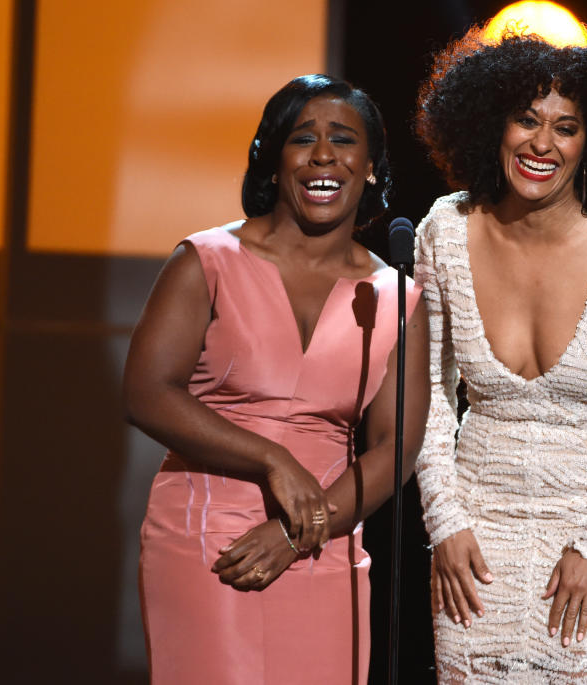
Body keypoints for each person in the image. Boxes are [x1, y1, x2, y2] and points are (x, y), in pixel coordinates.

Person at [123, 74, 429, 684]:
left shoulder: (397, 296)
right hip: (209, 543)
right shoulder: (207, 260)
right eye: (302, 139)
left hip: (326, 543)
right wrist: (275, 461)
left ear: (370, 167)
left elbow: (396, 449)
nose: (323, 155)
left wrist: (296, 535)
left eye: (343, 140)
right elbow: (146, 391)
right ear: (272, 160)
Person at [412, 30, 587, 683]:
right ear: (491, 125)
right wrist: (444, 522)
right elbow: (423, 390)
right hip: (476, 542)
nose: (542, 143)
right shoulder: (443, 231)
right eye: (525, 120)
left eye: (566, 127)